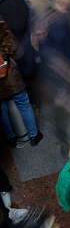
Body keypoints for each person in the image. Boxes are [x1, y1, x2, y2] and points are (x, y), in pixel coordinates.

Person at [0, 20, 43, 148]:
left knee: (2, 110)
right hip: (11, 79)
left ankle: (11, 138)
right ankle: (34, 136)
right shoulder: (3, 32)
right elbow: (19, 52)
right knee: (23, 104)